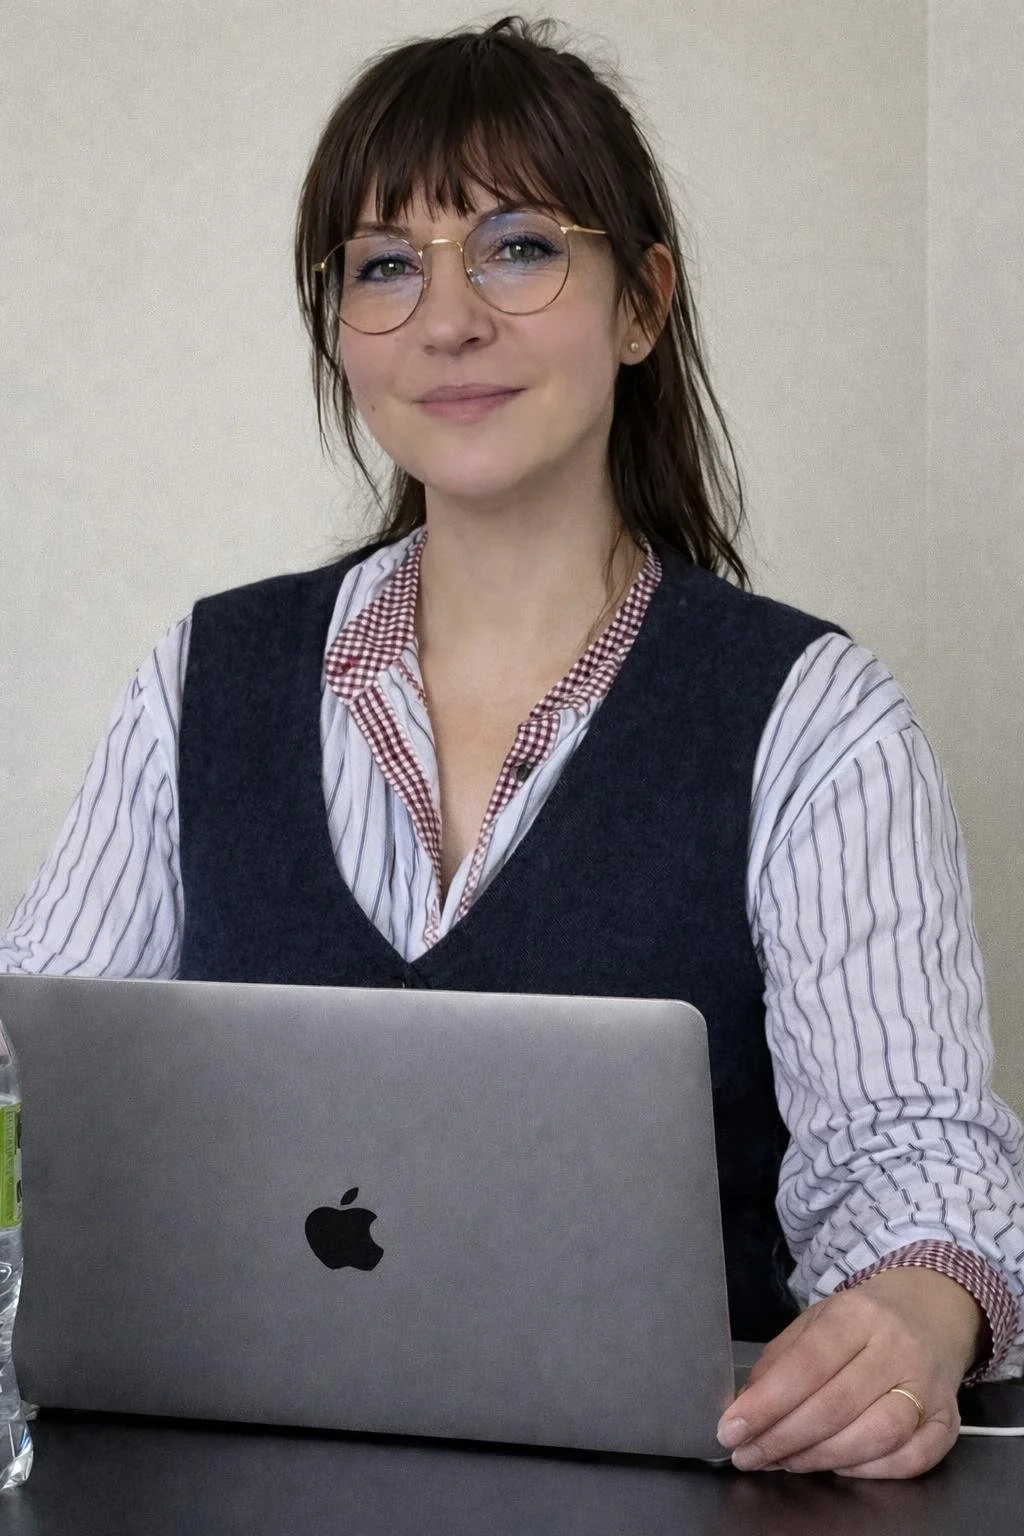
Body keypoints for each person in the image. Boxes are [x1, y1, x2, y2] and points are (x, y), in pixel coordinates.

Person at [2, 14, 1022, 1479]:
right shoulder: (200, 680)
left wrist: (919, 1311)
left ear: (642, 304)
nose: (448, 320)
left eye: (519, 248)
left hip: (676, 1489)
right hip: (225, 1476)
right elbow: (28, 1098)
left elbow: (914, 1162)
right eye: (385, 266)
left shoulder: (815, 718)